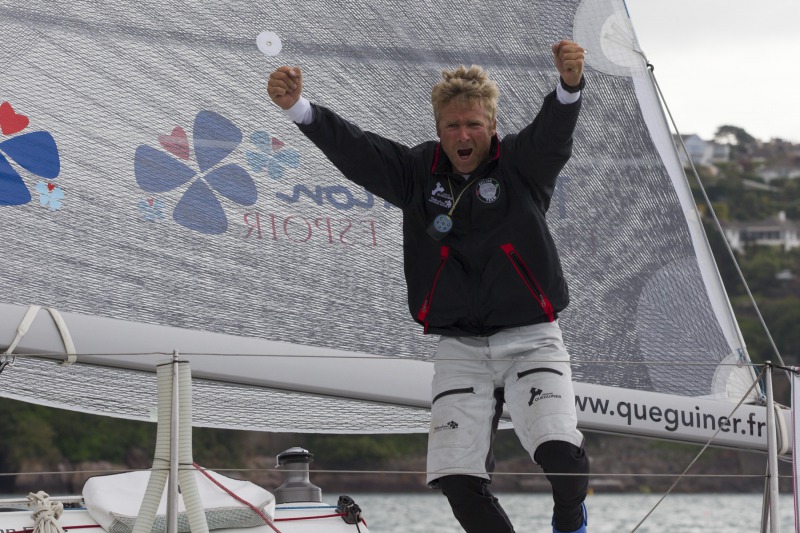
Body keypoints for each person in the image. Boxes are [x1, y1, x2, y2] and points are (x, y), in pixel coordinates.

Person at [267, 40, 589, 533]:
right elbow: (357, 150)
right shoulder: (416, 173)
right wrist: (299, 109)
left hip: (531, 337)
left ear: (492, 127)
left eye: (474, 124)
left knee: (559, 453)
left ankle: (571, 520)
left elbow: (554, 134)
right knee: (458, 480)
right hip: (459, 345)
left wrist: (569, 87)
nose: (464, 135)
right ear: (439, 131)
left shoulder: (522, 165)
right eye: (453, 126)